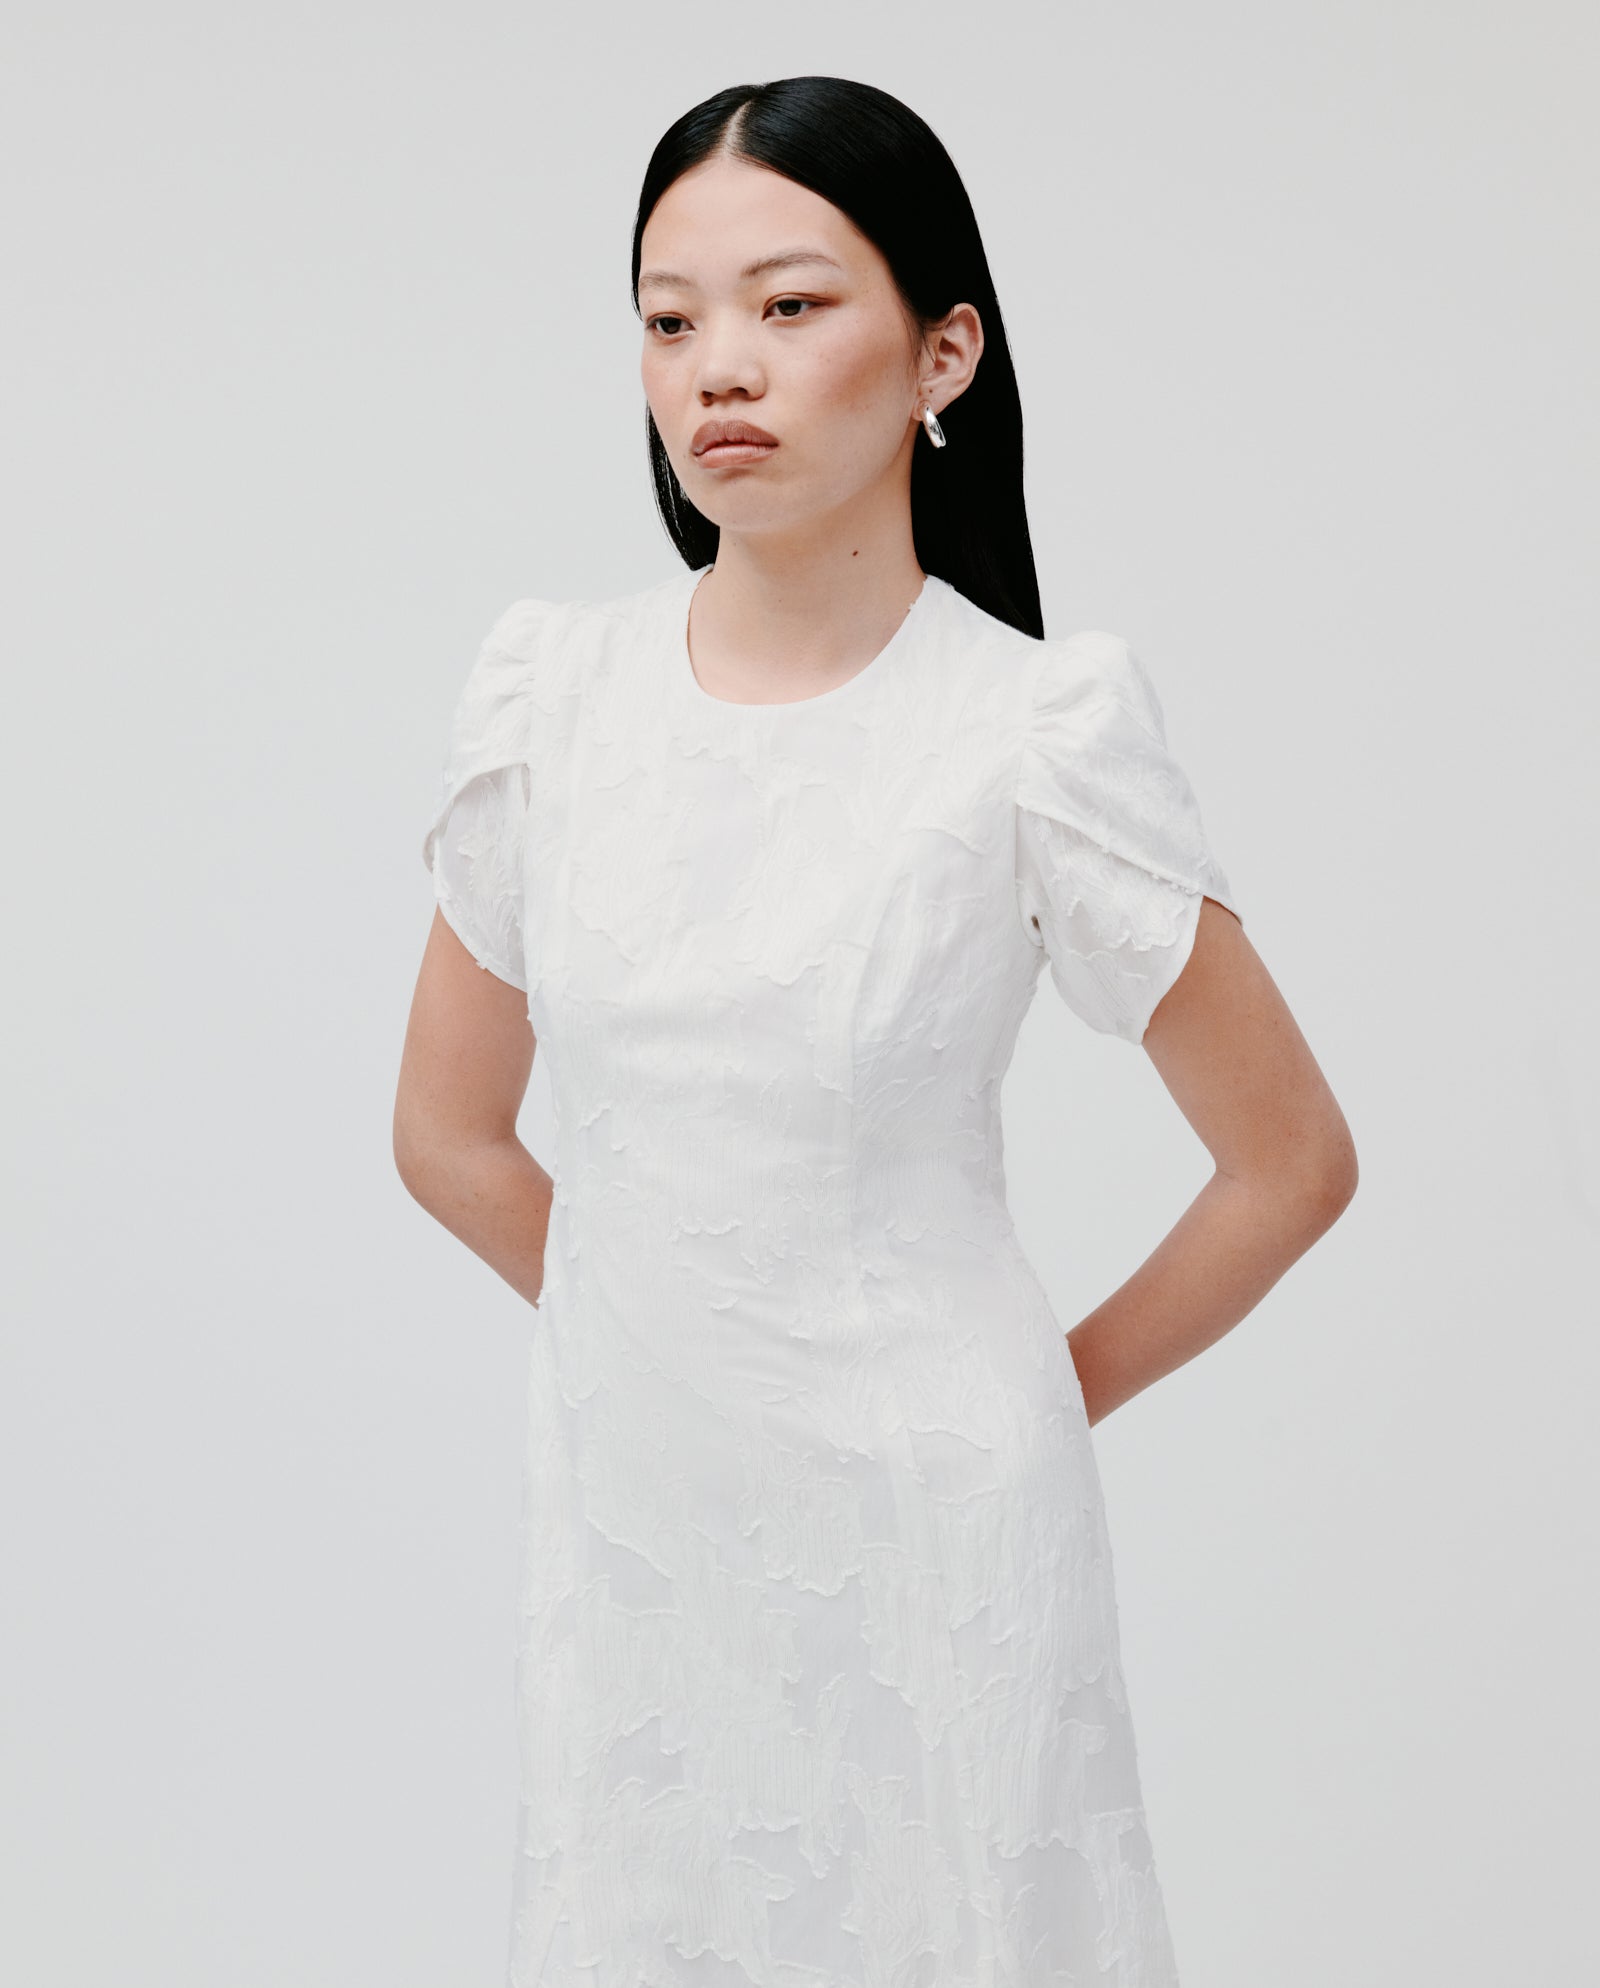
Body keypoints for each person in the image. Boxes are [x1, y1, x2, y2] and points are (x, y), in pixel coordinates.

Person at [394, 73, 1357, 1988]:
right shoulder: (552, 699)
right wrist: (662, 1340)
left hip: (941, 1533)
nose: (716, 369)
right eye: (671, 320)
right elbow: (449, 1137)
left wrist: (1019, 1400)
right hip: (642, 1541)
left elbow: (1290, 1163)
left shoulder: (1030, 729)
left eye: (789, 303)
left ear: (945, 349)